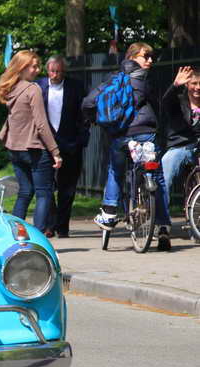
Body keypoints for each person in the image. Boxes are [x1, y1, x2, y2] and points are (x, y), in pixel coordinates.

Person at [83, 42, 172, 251]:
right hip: (146, 133)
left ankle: (109, 213)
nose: (150, 60)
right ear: (132, 58)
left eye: (151, 57)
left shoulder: (112, 79)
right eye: (145, 56)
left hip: (121, 136)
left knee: (115, 170)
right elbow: (158, 106)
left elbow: (88, 103)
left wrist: (96, 119)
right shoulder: (145, 79)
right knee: (157, 177)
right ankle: (163, 226)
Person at [0, 50, 62, 234]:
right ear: (22, 67)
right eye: (33, 66)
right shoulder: (33, 89)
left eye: (37, 66)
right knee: (44, 193)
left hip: (14, 149)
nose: (37, 70)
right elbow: (41, 124)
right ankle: (37, 235)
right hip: (34, 149)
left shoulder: (10, 89)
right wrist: (55, 152)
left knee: (25, 191)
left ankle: (14, 233)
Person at [37, 55, 89, 238]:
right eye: (52, 71)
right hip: (45, 144)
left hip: (71, 143)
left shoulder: (76, 87)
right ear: (47, 70)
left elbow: (84, 113)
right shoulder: (38, 87)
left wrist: (82, 137)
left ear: (64, 71)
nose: (55, 74)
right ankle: (50, 224)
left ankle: (63, 226)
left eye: (59, 71)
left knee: (68, 188)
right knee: (46, 187)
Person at [160, 66, 200, 208]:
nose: (198, 87)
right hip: (180, 145)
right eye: (194, 83)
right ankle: (161, 215)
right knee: (164, 175)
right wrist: (175, 85)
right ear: (187, 84)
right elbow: (166, 101)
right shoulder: (178, 101)